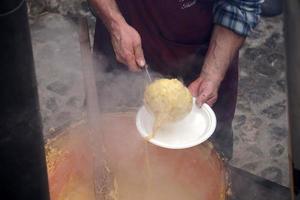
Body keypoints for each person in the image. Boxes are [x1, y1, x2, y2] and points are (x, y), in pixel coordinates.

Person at [89, 0, 262, 159]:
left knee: (206, 159)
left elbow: (240, 8)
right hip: (119, 41)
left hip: (203, 50)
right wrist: (114, 22)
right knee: (104, 146)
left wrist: (211, 75)